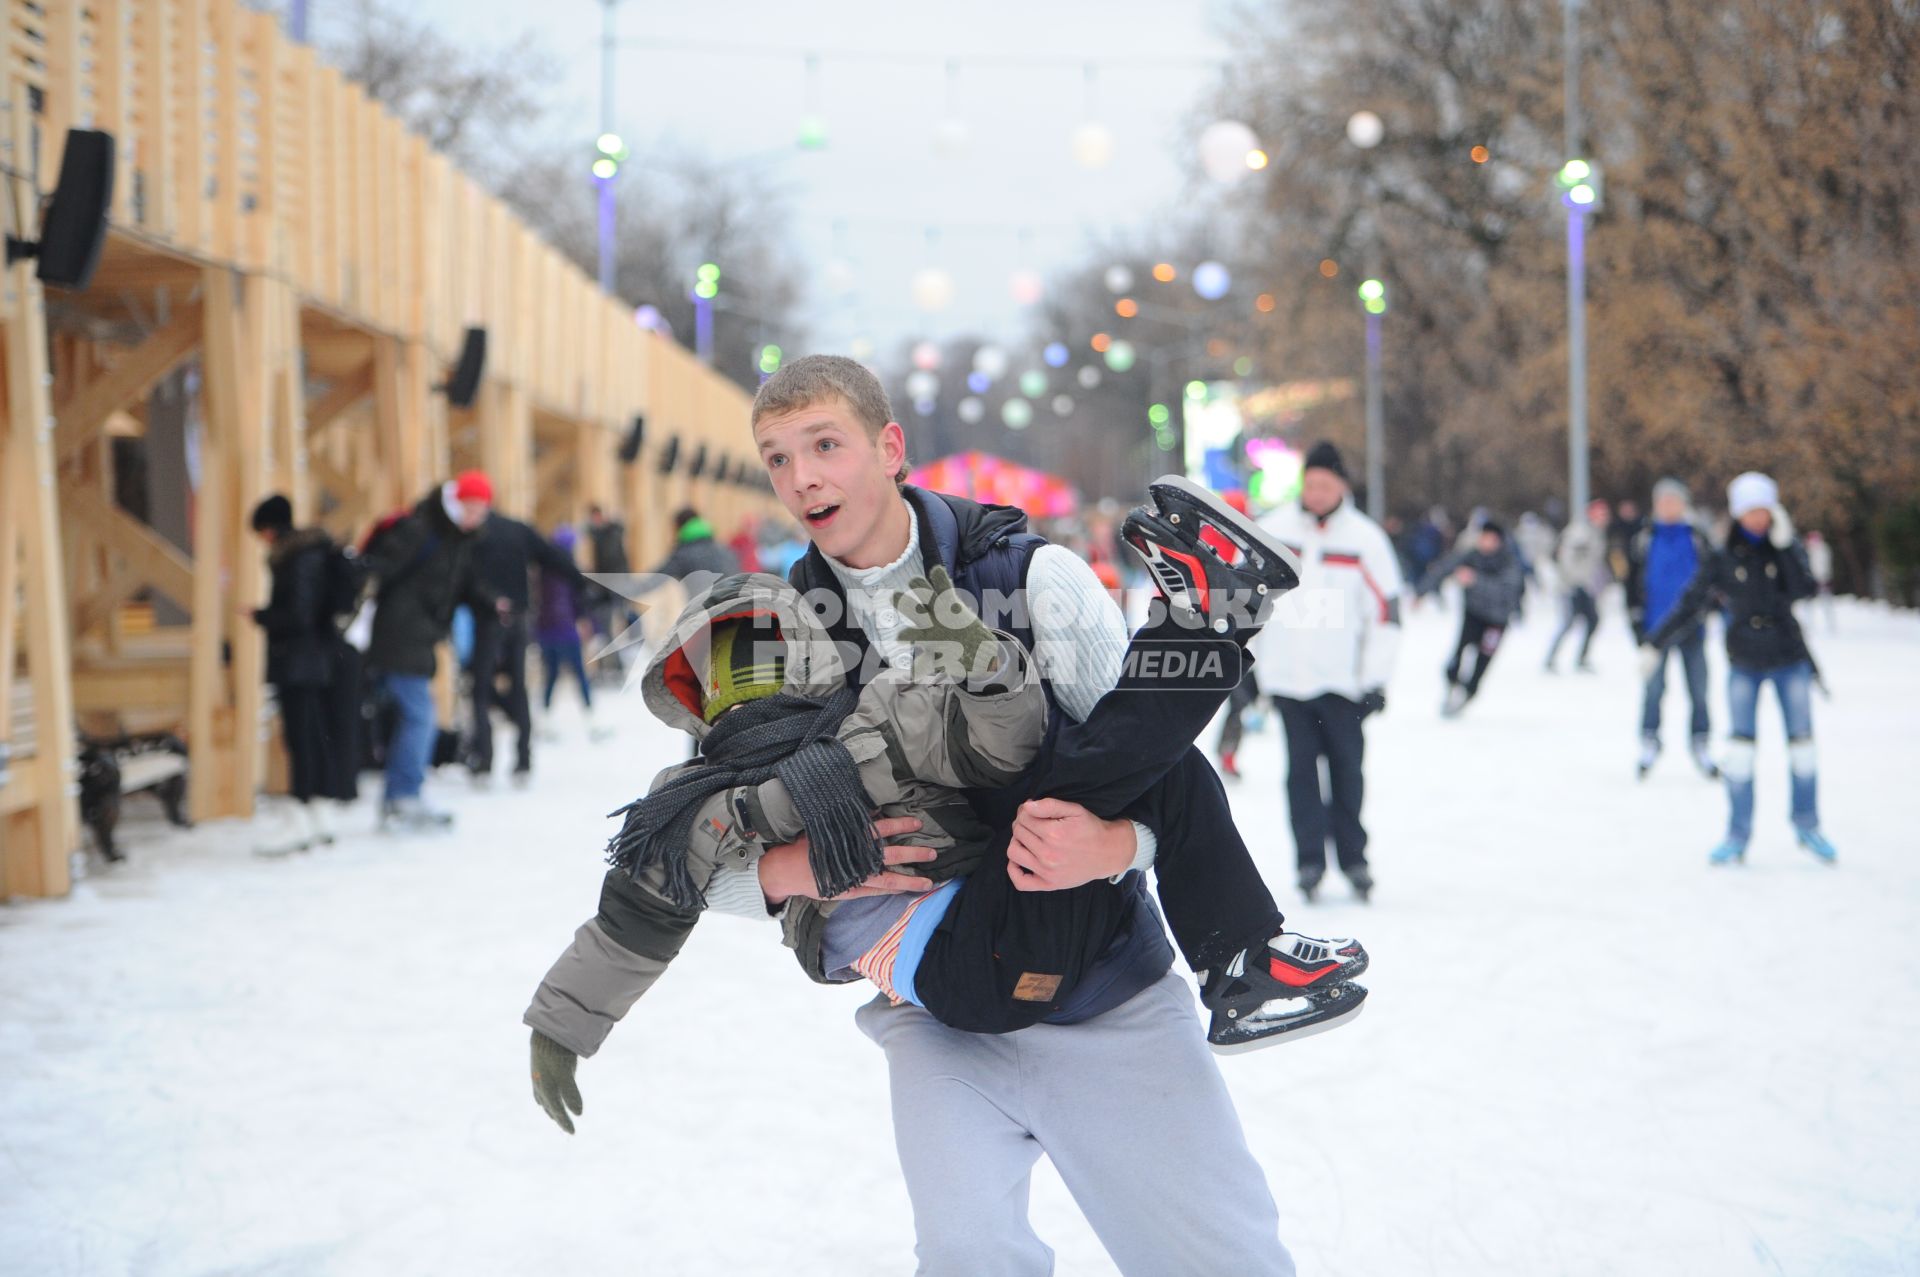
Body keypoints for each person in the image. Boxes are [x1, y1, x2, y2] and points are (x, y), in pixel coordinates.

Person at [555, 354, 1300, 1273]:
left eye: (825, 444)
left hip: (1101, 982)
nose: (803, 477)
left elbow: (1152, 765)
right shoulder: (762, 626)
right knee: (966, 1257)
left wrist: (1117, 843)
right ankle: (1209, 618)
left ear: (890, 447)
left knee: (1221, 1259)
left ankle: (1205, 624)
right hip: (935, 1010)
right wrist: (800, 870)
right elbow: (705, 839)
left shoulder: (1033, 577)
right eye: (779, 458)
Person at [525, 523, 1369, 1112]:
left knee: (1152, 774)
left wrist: (984, 665)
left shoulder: (873, 718)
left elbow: (1003, 744)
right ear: (693, 696)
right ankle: (1202, 626)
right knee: (1081, 788)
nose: (748, 689)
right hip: (970, 966)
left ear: (804, 655)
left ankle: (1239, 961)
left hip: (1002, 916)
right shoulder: (700, 800)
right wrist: (564, 1025)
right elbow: (640, 908)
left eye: (761, 659)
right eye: (723, 676)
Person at [1642, 472, 1838, 864]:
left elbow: (1804, 589)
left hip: (1788, 657)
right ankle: (1737, 833)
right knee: (1740, 753)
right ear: (1737, 513)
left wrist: (1786, 547)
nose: (1757, 519)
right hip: (1744, 660)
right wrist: (1654, 643)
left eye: (1763, 510)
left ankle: (1807, 825)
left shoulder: (1783, 546)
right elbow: (1691, 601)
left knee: (1802, 748)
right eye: (1749, 511)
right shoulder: (1723, 554)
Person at [1251, 441, 1404, 903]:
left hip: (1343, 684)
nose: (1316, 492)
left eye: (1326, 484)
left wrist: (1375, 679)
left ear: (1341, 486)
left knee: (1347, 774)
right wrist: (1250, 667)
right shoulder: (1273, 530)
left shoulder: (1364, 539)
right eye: (1310, 483)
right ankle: (1310, 862)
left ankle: (1355, 859)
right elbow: (1249, 600)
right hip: (1288, 681)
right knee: (1299, 776)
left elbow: (1386, 613)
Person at [357, 471, 500, 830]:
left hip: (417, 638)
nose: (477, 518)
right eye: (473, 509)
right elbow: (381, 571)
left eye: (482, 511)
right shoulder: (423, 530)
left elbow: (461, 585)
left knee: (414, 716)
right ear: (457, 503)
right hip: (399, 636)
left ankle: (399, 797)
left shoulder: (453, 538)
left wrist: (491, 603)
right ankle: (405, 796)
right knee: (420, 717)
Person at [246, 495, 358, 854]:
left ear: (269, 529)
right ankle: (319, 813)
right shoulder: (314, 551)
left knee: (301, 738)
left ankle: (302, 813)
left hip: (299, 661)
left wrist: (262, 616)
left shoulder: (296, 559)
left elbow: (298, 615)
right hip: (320, 658)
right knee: (316, 734)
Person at [466, 501, 593, 785]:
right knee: (516, 686)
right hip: (518, 619)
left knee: (481, 687)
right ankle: (522, 759)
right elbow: (553, 557)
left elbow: (463, 577)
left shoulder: (473, 535)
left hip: (488, 620)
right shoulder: (517, 531)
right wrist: (582, 582)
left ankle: (485, 760)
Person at [1626, 478, 1717, 779]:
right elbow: (1631, 586)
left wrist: (1708, 610)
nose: (1667, 507)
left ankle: (1701, 741)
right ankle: (1649, 739)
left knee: (1699, 689)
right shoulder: (1644, 539)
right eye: (1662, 502)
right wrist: (1637, 626)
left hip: (1693, 628)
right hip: (1655, 630)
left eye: (1673, 501)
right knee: (1653, 690)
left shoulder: (1698, 538)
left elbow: (1712, 581)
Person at [1419, 519, 1526, 716]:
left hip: (1497, 620)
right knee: (1458, 653)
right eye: (1483, 538)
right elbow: (1445, 568)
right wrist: (1421, 592)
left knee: (1483, 660)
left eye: (1490, 539)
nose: (1485, 543)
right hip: (1474, 614)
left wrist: (1475, 581)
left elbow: (1508, 590)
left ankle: (1468, 693)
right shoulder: (1472, 556)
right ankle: (1452, 685)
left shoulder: (1508, 561)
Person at [532, 524, 609, 740]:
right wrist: (594, 627)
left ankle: (544, 721)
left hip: (545, 631)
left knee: (551, 675)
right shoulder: (570, 570)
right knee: (580, 675)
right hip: (566, 631)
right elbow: (580, 601)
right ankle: (592, 721)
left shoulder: (542, 571)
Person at [1545, 499, 1612, 674]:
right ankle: (1550, 658)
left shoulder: (1597, 533)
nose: (1603, 517)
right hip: (1572, 585)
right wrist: (1572, 582)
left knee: (1592, 620)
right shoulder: (1580, 532)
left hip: (1584, 585)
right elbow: (1566, 558)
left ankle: (1581, 657)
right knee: (1569, 622)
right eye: (1599, 513)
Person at [1805, 529, 1836, 631]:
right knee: (1809, 605)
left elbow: (1825, 566)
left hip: (1822, 580)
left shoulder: (1823, 550)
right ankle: (1809, 626)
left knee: (1826, 603)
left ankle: (1831, 625)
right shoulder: (1806, 551)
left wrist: (1824, 579)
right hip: (1810, 580)